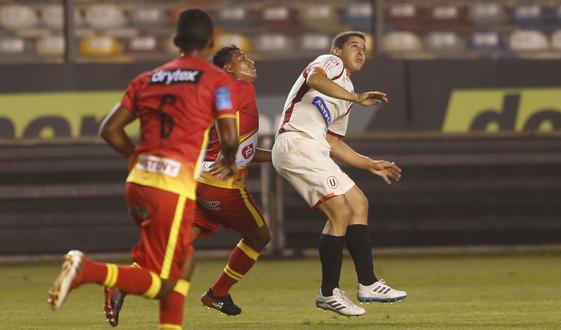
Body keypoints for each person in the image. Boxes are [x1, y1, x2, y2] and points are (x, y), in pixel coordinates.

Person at [47, 9, 239, 330]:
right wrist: (230, 160)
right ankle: (89, 271)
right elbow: (230, 137)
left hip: (137, 183)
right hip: (171, 189)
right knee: (162, 282)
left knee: (185, 259)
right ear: (211, 41)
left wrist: (138, 158)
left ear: (176, 41)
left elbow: (109, 130)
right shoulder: (217, 80)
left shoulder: (147, 78)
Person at [103, 45, 272, 326]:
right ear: (228, 69)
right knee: (259, 237)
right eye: (242, 58)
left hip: (197, 180)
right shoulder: (238, 87)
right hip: (221, 184)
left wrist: (277, 156)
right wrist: (227, 153)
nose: (250, 61)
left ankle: (120, 282)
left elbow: (244, 148)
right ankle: (217, 294)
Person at [271, 31, 407, 317]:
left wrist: (369, 163)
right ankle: (328, 292)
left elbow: (334, 142)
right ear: (337, 50)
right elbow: (314, 79)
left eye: (365, 49)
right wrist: (356, 97)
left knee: (358, 203)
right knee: (340, 211)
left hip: (316, 147)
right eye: (354, 46)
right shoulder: (331, 65)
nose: (361, 52)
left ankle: (368, 283)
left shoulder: (346, 94)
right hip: (296, 142)